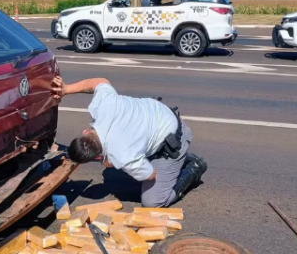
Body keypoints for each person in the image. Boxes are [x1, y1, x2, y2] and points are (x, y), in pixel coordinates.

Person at [51, 76, 207, 208]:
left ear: (98, 157)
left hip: (173, 140)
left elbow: (151, 174)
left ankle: (193, 167)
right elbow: (100, 81)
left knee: (153, 201)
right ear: (85, 132)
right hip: (158, 114)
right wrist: (66, 89)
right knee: (134, 164)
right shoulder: (102, 105)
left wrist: (111, 162)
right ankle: (175, 160)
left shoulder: (124, 156)